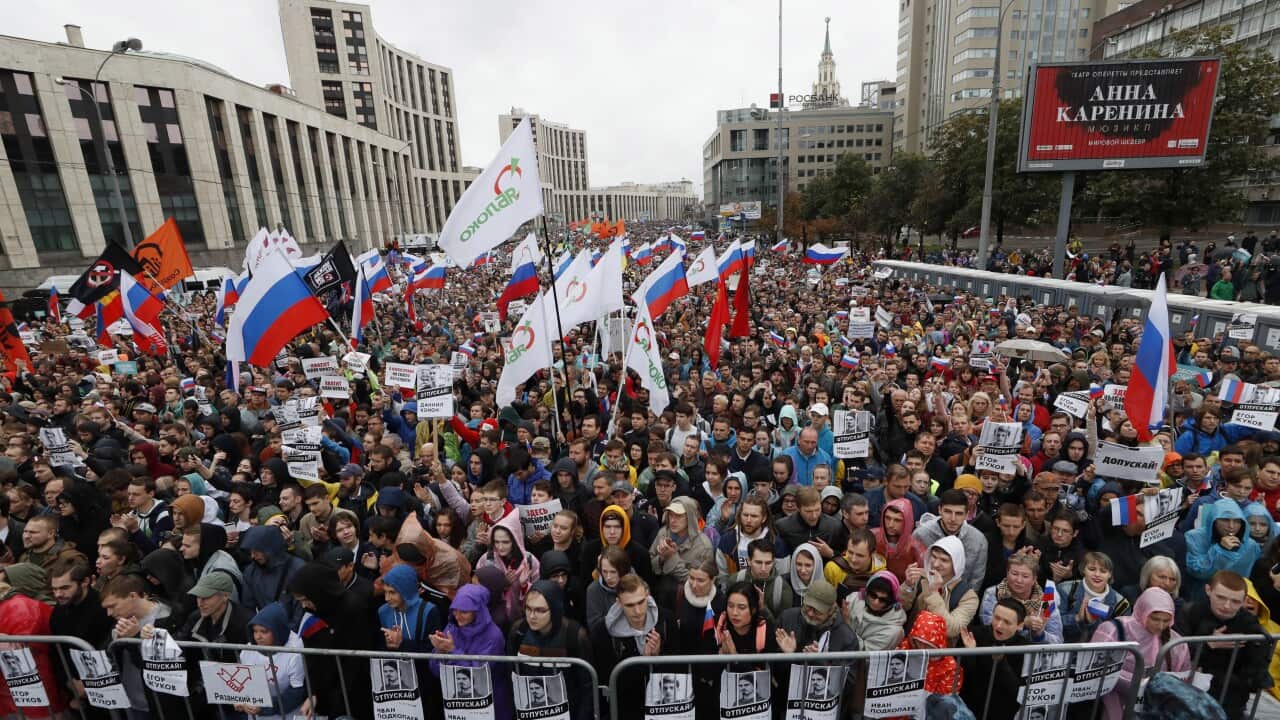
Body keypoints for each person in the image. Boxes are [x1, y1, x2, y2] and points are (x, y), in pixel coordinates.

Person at [1175, 570, 1273, 717]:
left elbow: (1256, 663)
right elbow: (1175, 653)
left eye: (1235, 601)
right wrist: (1207, 644)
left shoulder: (1249, 622)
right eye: (1221, 597)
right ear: (1208, 590)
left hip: (1232, 699)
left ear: (1244, 600)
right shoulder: (1190, 613)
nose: (1227, 606)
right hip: (1189, 694)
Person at [1091, 587, 1190, 720]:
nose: (1161, 626)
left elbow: (1184, 673)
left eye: (1166, 621)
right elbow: (1094, 666)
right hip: (1114, 700)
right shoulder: (1114, 629)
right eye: (1155, 619)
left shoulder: (1177, 642)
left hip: (1155, 708)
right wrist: (1138, 683)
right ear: (1142, 612)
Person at [506, 580, 594, 720]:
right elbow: (510, 676)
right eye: (528, 608)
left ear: (554, 608)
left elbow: (587, 686)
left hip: (568, 712)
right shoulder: (518, 631)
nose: (532, 616)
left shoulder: (574, 635)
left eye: (540, 610)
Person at [593, 575, 676, 720]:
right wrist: (644, 662)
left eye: (641, 602)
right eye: (630, 605)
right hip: (625, 709)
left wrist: (657, 658)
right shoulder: (603, 631)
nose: (637, 611)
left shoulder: (666, 620)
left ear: (647, 595)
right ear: (619, 602)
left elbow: (678, 669)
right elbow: (609, 679)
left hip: (662, 707)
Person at [430, 583, 511, 718]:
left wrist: (452, 651)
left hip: (490, 704)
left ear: (478, 611)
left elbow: (478, 675)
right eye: (455, 610)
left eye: (464, 611)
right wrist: (440, 650)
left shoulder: (493, 636)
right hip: (459, 703)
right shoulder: (452, 628)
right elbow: (436, 671)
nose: (457, 615)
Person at [959, 598, 1031, 719]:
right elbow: (962, 677)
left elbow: (1017, 691)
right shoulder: (973, 635)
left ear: (1020, 625)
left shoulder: (1025, 648)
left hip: (1001, 712)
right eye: (996, 618)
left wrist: (1001, 663)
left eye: (1007, 622)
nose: (999, 625)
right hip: (968, 709)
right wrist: (970, 653)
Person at [236, 602, 307, 720]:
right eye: (255, 631)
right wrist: (238, 700)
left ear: (277, 630)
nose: (258, 637)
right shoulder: (247, 650)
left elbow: (296, 693)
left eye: (264, 631)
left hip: (287, 715)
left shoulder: (294, 652)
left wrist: (266, 707)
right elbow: (242, 683)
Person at [899, 536, 978, 640]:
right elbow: (899, 607)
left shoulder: (969, 597)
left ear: (956, 564)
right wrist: (908, 586)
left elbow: (952, 629)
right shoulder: (920, 576)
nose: (935, 564)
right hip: (910, 643)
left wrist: (934, 593)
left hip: (941, 652)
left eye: (944, 560)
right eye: (934, 557)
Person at [978, 551, 1063, 643]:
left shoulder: (1047, 598)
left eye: (1025, 576)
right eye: (1014, 574)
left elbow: (1057, 640)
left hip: (1033, 653)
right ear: (1007, 573)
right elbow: (989, 627)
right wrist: (1023, 623)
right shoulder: (993, 593)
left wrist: (1039, 634)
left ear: (1034, 579)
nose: (1019, 580)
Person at [845, 570, 907, 651]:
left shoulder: (893, 631)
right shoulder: (854, 599)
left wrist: (846, 626)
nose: (876, 602)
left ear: (891, 601)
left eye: (883, 600)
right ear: (867, 591)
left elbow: (865, 655)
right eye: (873, 595)